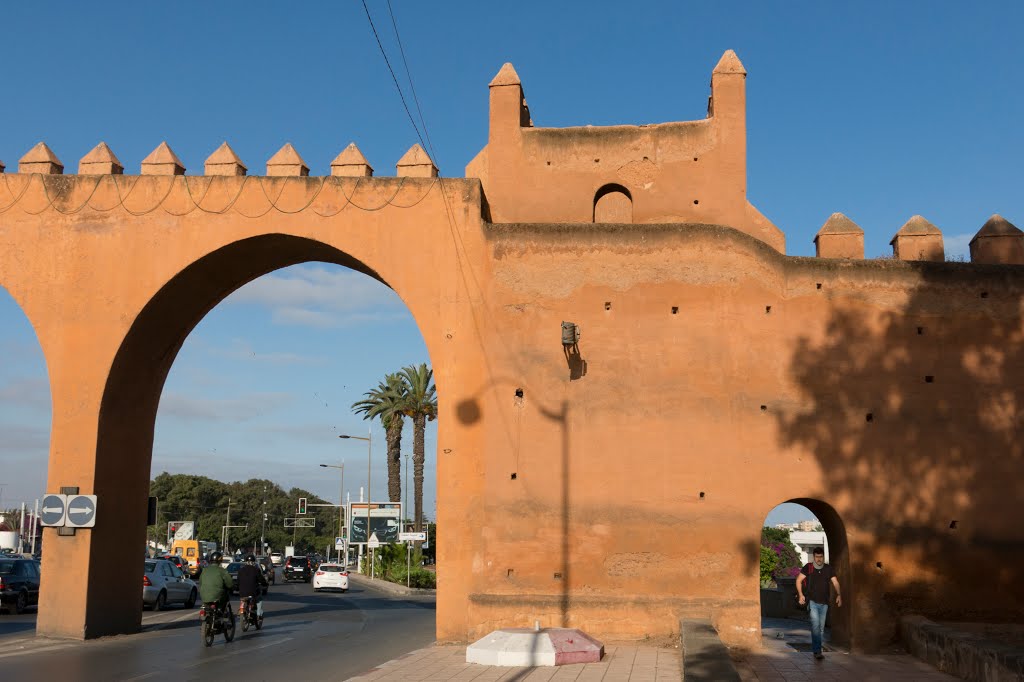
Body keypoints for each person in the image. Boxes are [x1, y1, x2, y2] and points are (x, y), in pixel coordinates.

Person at [796, 547, 842, 660]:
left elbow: (835, 582)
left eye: (820, 557)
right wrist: (801, 594)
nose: (819, 559)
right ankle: (817, 651)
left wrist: (839, 594)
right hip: (812, 601)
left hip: (825, 603)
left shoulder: (828, 568)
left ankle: (818, 648)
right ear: (813, 557)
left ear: (823, 556)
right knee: (815, 626)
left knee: (821, 628)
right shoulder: (809, 567)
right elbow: (798, 580)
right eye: (817, 557)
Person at [198, 551, 234, 617]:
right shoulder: (222, 571)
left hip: (203, 596)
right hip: (217, 596)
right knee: (225, 598)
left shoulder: (204, 570)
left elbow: (200, 582)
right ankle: (221, 611)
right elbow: (229, 584)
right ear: (220, 560)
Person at [237, 553, 268, 618]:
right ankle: (259, 614)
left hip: (242, 593)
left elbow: (238, 581)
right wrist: (265, 584)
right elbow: (261, 579)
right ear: (253, 562)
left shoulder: (241, 570)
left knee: (243, 600)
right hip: (253, 592)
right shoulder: (256, 570)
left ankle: (242, 610)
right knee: (259, 599)